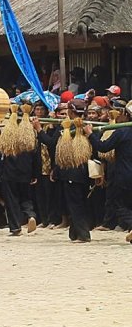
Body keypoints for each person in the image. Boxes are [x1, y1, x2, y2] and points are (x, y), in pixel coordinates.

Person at [34, 101, 92, 243]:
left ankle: (83, 235)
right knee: (77, 203)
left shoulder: (68, 127)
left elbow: (51, 143)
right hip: (83, 171)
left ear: (71, 113)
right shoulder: (87, 124)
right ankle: (75, 233)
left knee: (75, 204)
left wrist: (39, 129)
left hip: (72, 172)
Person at [85, 102, 132, 243]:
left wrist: (90, 134)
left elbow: (103, 147)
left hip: (124, 175)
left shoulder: (122, 132)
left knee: (118, 204)